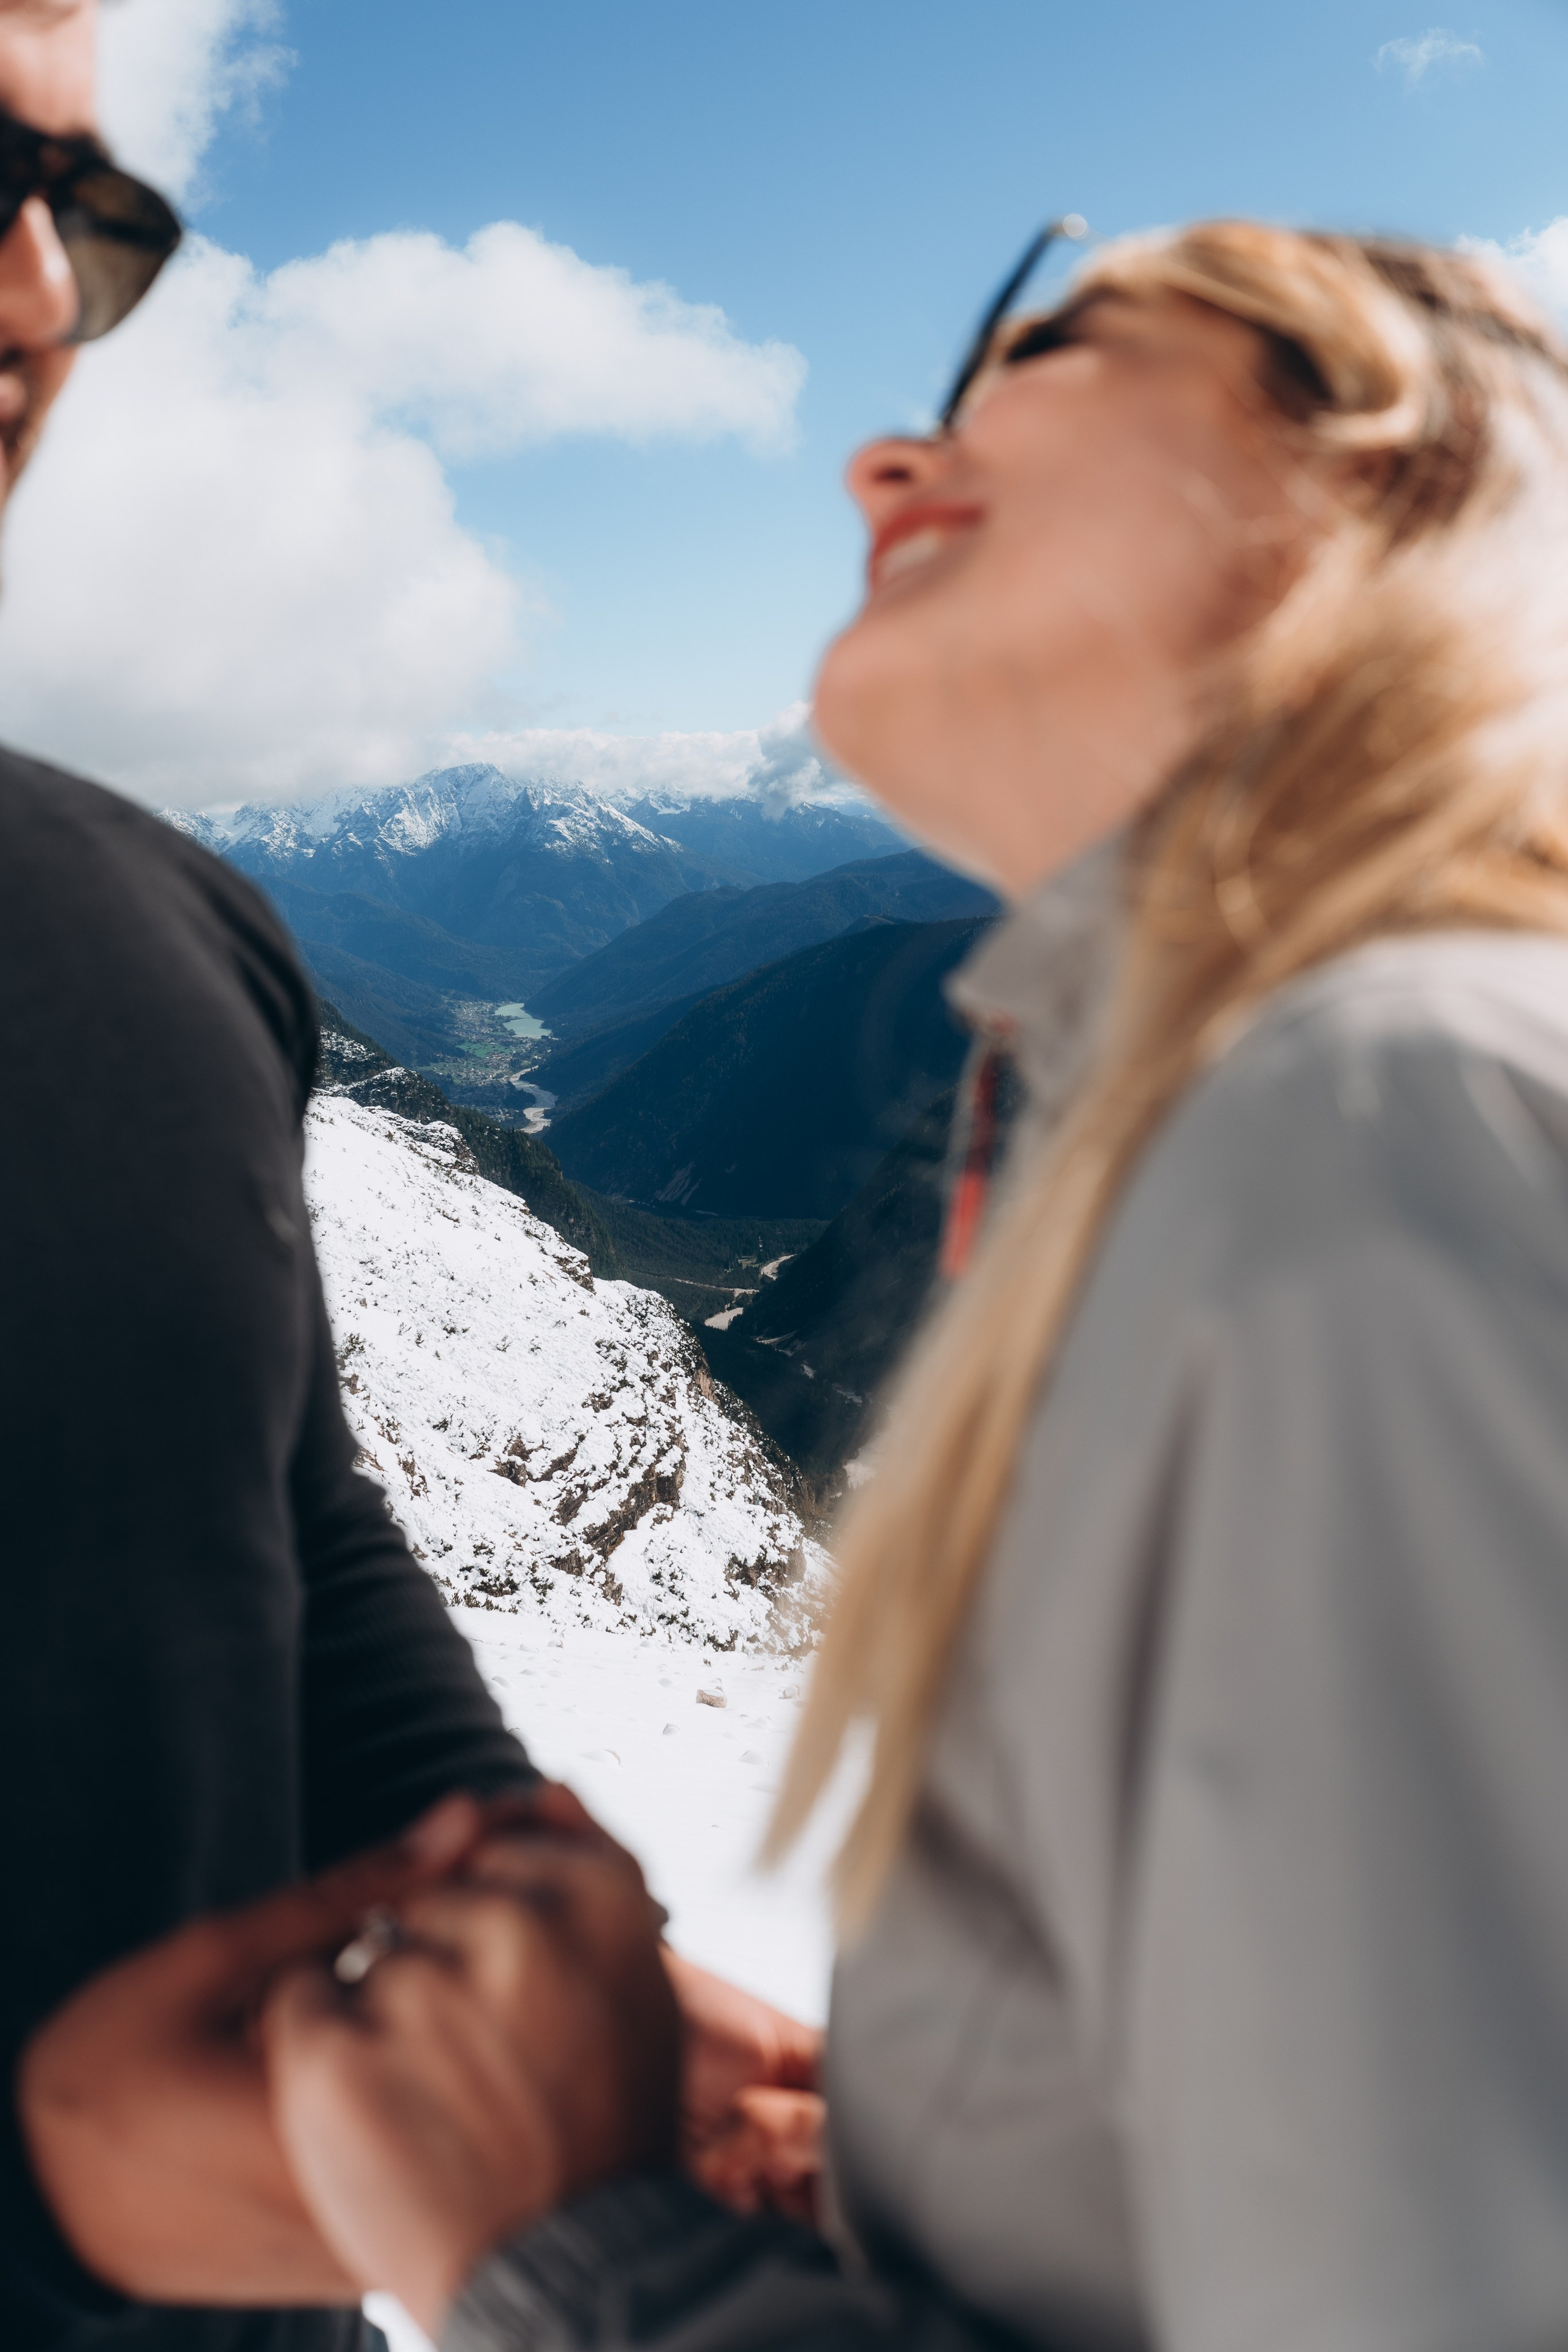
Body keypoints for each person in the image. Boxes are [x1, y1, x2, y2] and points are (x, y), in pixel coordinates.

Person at [132, 217, 1568, 2348]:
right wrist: (931, 2197)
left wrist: (575, 2252)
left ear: (1381, 473)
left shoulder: (1385, 1116)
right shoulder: (1281, 1117)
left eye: (1049, 351)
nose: (879, 469)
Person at [0, 7, 818, 2350]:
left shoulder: (157, 933)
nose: (42, 296)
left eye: (92, 214)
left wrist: (556, 1952)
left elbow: (283, 1513)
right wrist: (82, 2212)